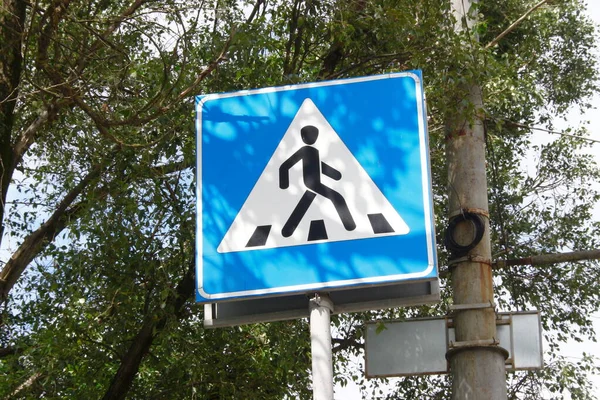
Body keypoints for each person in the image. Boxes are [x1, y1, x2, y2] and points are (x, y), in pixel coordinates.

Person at [279, 125, 356, 237]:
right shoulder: (304, 150)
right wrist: (284, 183)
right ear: (304, 137)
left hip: (314, 183)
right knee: (337, 197)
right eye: (312, 135)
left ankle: (287, 231)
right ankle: (350, 225)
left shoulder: (314, 151)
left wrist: (335, 174)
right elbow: (285, 166)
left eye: (315, 135)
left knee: (304, 204)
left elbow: (319, 166)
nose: (314, 138)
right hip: (312, 183)